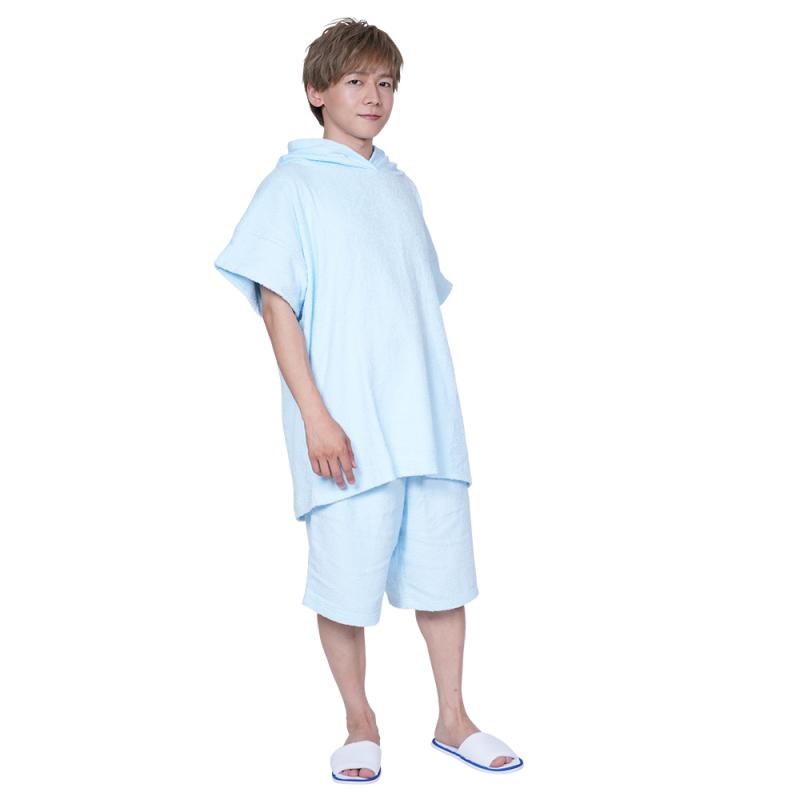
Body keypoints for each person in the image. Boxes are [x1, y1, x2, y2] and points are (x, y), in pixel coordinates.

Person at [214, 17, 523, 783]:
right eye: (355, 81)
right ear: (317, 91)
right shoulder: (292, 185)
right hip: (346, 425)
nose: (373, 96)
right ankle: (360, 721)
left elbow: (408, 305)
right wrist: (317, 417)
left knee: (443, 578)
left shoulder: (399, 186)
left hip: (426, 422)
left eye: (385, 83)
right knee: (346, 583)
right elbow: (277, 307)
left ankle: (453, 718)